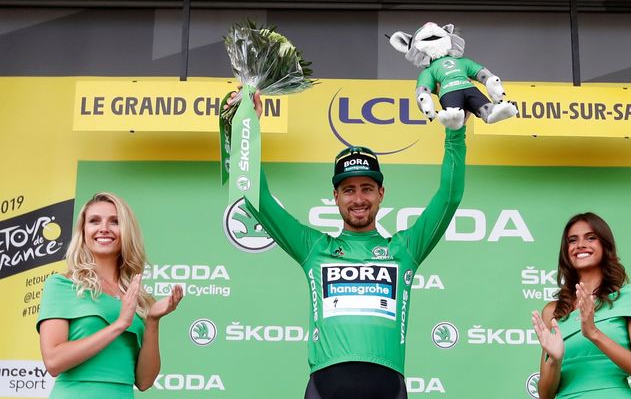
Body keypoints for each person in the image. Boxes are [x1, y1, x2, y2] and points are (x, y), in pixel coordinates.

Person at [227, 89, 466, 398]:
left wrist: (455, 134)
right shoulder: (314, 248)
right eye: (348, 189)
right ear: (335, 197)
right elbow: (257, 199)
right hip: (326, 385)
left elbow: (449, 197)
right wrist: (247, 127)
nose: (358, 199)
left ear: (381, 194)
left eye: (367, 188)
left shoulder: (404, 250)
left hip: (387, 385)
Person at [37, 192, 184, 398]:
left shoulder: (136, 296)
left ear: (126, 231)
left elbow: (144, 381)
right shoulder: (62, 285)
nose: (104, 228)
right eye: (94, 221)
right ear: (83, 231)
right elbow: (53, 362)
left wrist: (152, 321)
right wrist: (119, 324)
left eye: (114, 221)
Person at [531, 212, 631, 399]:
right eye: (572, 240)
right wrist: (555, 361)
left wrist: (593, 333)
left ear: (605, 246)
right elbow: (545, 395)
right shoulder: (552, 311)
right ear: (566, 251)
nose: (580, 245)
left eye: (591, 238)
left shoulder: (629, 297)